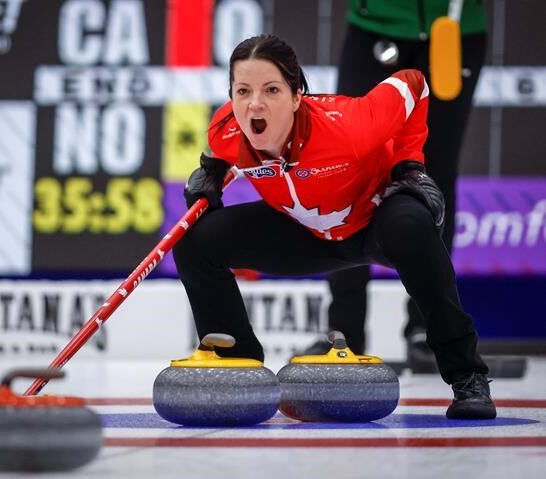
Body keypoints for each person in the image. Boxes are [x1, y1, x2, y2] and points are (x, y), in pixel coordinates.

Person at [173, 34, 495, 419]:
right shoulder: (226, 128)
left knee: (412, 226)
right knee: (194, 241)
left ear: (296, 97)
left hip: (374, 220)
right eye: (242, 91)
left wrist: (409, 165)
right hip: (305, 231)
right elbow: (217, 146)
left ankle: (467, 376)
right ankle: (239, 369)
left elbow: (414, 83)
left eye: (271, 90)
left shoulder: (350, 127)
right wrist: (211, 170)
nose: (254, 103)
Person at [301, 0, 488, 371]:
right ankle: (343, 330)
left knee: (433, 175)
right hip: (375, 25)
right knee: (349, 166)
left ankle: (428, 331)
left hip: (454, 31)